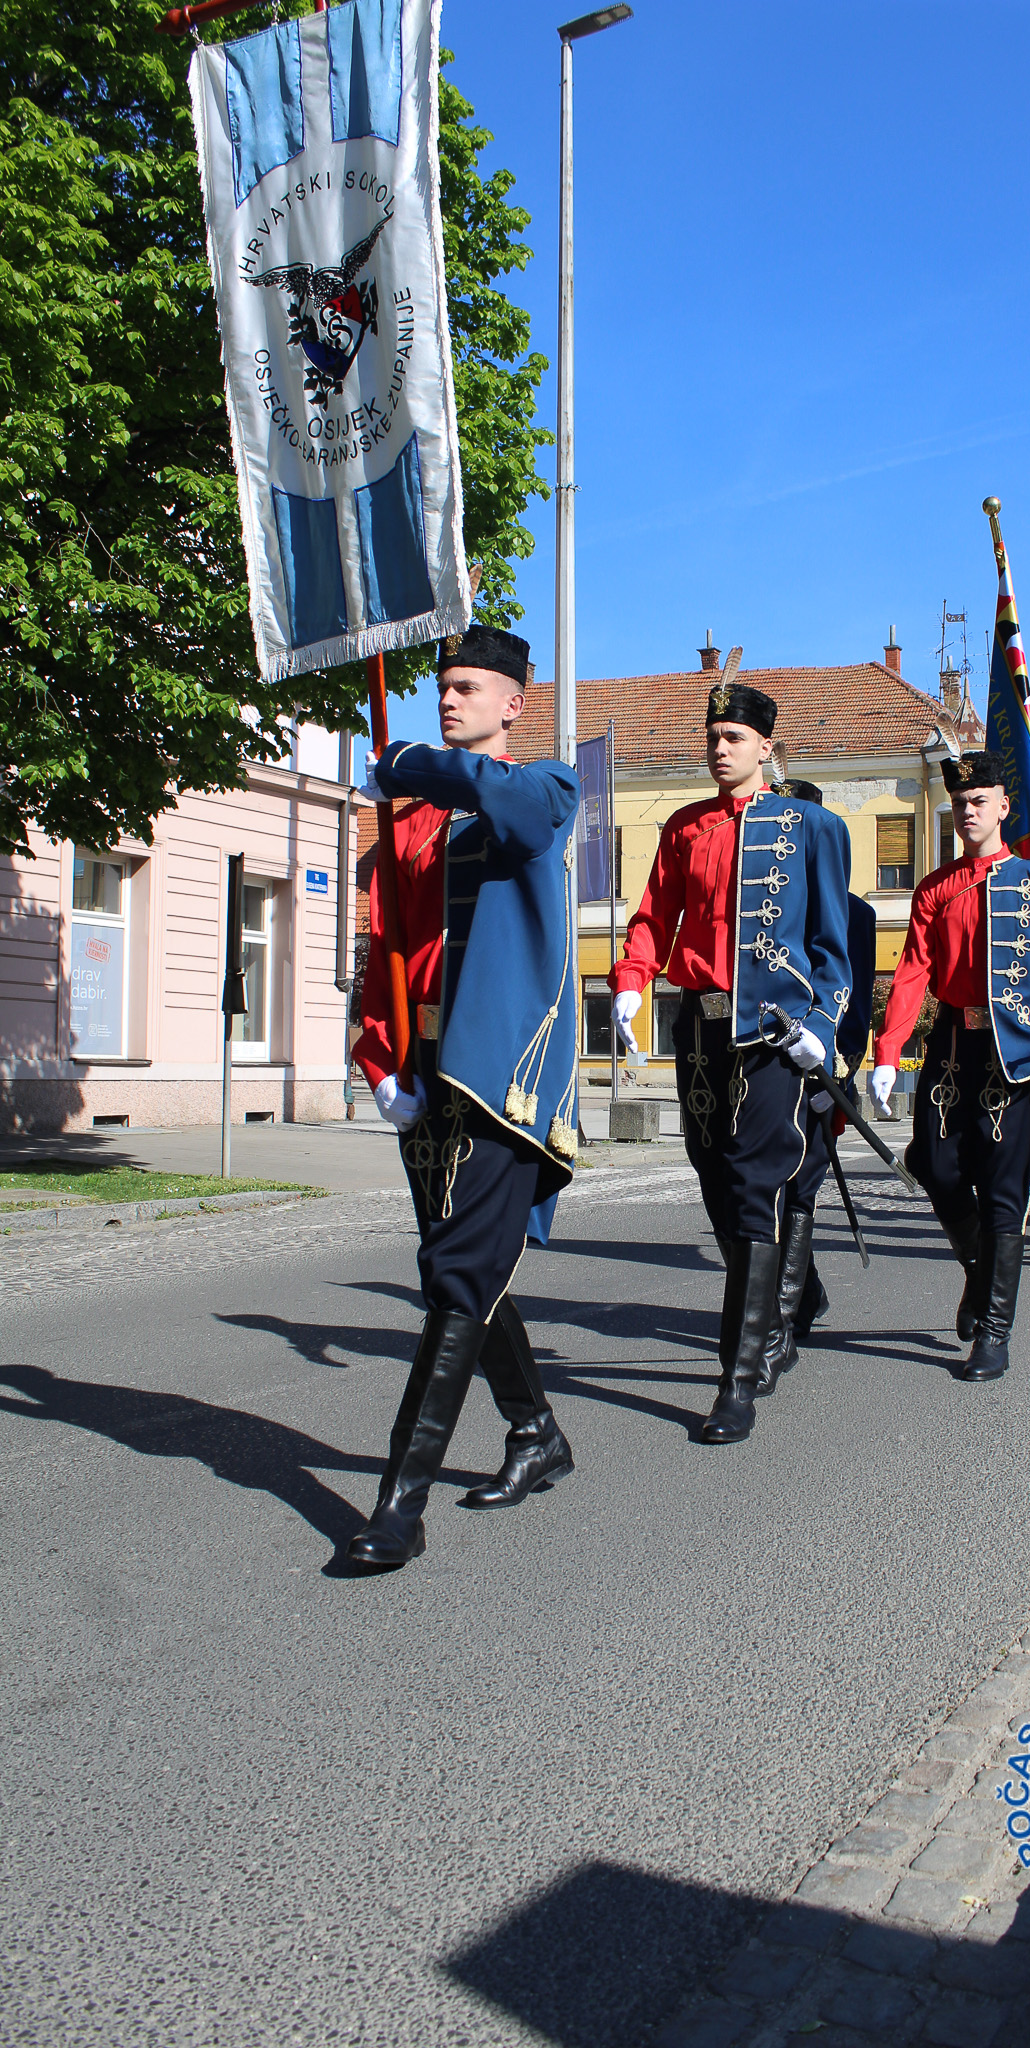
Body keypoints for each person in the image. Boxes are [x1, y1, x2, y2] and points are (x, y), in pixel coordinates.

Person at [346, 626, 580, 1570]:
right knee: (464, 1270)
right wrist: (380, 1063)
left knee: (455, 1276)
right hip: (427, 1075)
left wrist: (411, 764)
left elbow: (502, 800)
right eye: (441, 687)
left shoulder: (544, 787)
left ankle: (398, 1507)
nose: (448, 699)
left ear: (512, 704)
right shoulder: (405, 826)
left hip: (502, 1083)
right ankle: (535, 1431)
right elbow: (386, 947)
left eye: (468, 687)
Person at [608, 679, 853, 1444]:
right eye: (712, 737)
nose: (719, 749)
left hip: (773, 1037)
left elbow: (833, 947)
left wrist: (822, 1026)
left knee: (753, 1188)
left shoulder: (812, 827)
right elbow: (654, 915)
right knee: (715, 1180)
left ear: (765, 748)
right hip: (700, 1032)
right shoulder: (685, 826)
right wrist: (631, 980)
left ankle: (736, 1379)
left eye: (734, 738)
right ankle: (775, 1318)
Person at [868, 750, 1030, 1381]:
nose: (967, 812)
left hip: (1016, 1053)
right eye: (960, 803)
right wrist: (889, 1052)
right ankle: (976, 1265)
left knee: (1002, 1191)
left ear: (1003, 807)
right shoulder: (935, 888)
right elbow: (913, 972)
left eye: (978, 802)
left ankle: (994, 1330)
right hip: (951, 1049)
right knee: (934, 1166)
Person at [756, 775, 877, 1393]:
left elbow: (853, 995)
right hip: (763, 1062)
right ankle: (805, 1292)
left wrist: (841, 1065)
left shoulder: (855, 911)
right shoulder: (764, 904)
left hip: (823, 1063)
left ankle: (781, 1318)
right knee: (762, 1186)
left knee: (801, 1183)